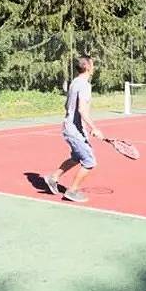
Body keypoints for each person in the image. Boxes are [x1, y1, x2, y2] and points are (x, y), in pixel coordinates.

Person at [44, 56, 104, 203]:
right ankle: (72, 191)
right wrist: (94, 128)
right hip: (74, 130)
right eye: (93, 64)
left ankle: (53, 178)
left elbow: (67, 106)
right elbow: (82, 110)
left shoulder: (74, 83)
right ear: (88, 67)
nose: (94, 67)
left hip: (71, 127)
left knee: (77, 157)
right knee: (89, 161)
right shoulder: (84, 85)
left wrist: (81, 126)